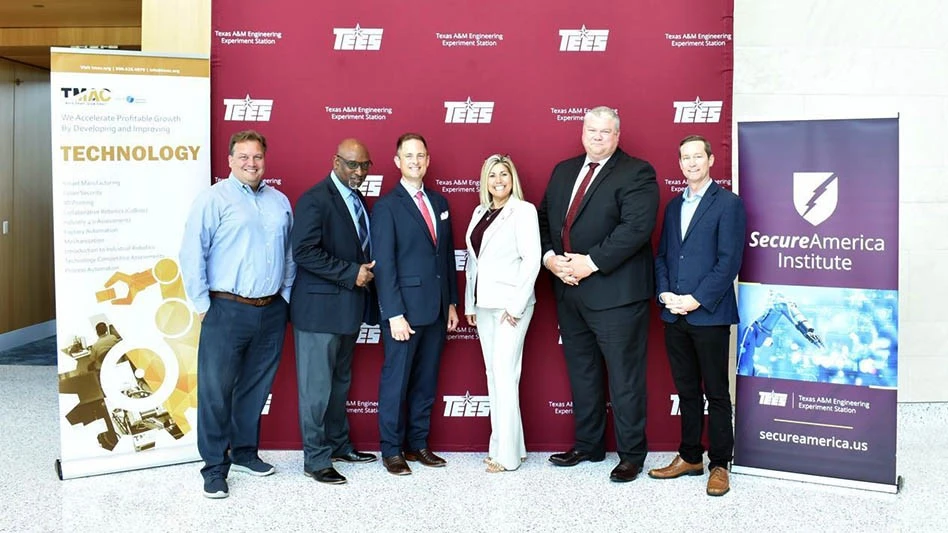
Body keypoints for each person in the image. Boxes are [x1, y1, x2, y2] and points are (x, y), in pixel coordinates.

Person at [537, 106, 659, 482]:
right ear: (582, 131)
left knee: (624, 378)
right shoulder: (563, 171)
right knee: (583, 373)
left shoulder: (637, 172)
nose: (597, 137)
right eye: (592, 130)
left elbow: (635, 228)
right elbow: (543, 220)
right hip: (569, 290)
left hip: (616, 294)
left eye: (605, 132)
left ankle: (631, 455)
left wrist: (589, 263)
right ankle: (588, 445)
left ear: (617, 136)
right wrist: (551, 260)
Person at [179, 130, 295, 499]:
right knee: (216, 391)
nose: (251, 163)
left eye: (257, 156)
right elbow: (192, 252)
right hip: (226, 309)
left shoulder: (279, 202)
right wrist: (202, 305)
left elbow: (289, 254)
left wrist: (285, 298)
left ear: (265, 159)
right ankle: (214, 468)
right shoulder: (214, 198)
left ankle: (245, 453)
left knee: (255, 388)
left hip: (270, 309)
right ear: (230, 160)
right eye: (243, 156)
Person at [649, 134, 746, 497]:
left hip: (709, 315)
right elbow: (663, 256)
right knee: (687, 391)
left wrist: (695, 299)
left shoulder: (728, 204)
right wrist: (665, 295)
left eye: (697, 157)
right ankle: (690, 456)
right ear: (680, 164)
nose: (691, 163)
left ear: (710, 160)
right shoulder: (674, 206)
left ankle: (720, 464)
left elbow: (728, 263)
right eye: (685, 158)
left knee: (716, 393)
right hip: (674, 316)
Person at [289, 138, 380, 485]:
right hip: (318, 313)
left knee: (339, 385)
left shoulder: (358, 199)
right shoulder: (314, 199)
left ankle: (339, 445)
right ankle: (315, 459)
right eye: (352, 164)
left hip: (347, 310)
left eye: (365, 165)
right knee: (316, 391)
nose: (359, 171)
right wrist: (350, 272)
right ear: (336, 162)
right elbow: (304, 252)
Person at [371, 133, 459, 476]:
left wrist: (451, 303)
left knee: (425, 382)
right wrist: (393, 313)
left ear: (427, 160)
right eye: (408, 156)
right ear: (397, 162)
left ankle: (418, 444)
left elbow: (445, 259)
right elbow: (384, 264)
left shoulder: (439, 201)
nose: (415, 161)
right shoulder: (387, 206)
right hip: (403, 313)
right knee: (396, 383)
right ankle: (392, 450)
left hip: (435, 310)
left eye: (420, 155)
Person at [462, 154, 541, 473]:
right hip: (484, 305)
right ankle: (509, 447)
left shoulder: (523, 211)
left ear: (512, 179)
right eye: (492, 175)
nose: (498, 180)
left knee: (505, 375)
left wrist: (516, 305)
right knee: (495, 375)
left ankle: (506, 457)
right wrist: (470, 303)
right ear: (485, 180)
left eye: (504, 174)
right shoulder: (479, 212)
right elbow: (473, 263)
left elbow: (532, 259)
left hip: (511, 307)